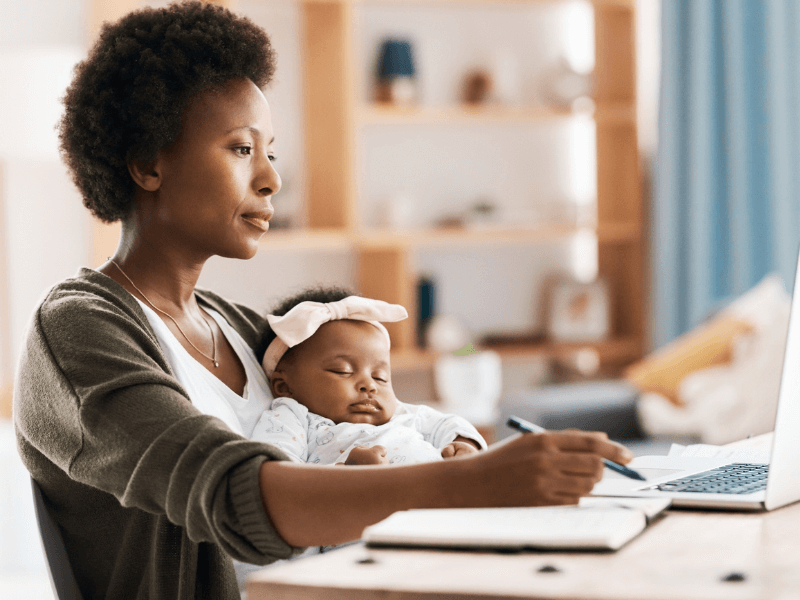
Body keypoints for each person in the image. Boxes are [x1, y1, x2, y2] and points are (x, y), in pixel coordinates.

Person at [12, 2, 633, 599]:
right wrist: (470, 482)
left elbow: (387, 413)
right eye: (240, 148)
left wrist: (459, 446)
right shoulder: (79, 331)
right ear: (148, 164)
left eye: (271, 152)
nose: (271, 178)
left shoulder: (243, 330)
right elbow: (230, 492)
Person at [251, 286, 487, 465]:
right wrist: (346, 473)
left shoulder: (402, 414)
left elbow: (449, 423)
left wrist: (464, 444)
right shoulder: (291, 419)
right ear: (284, 386)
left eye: (381, 377)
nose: (369, 385)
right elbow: (278, 479)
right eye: (343, 371)